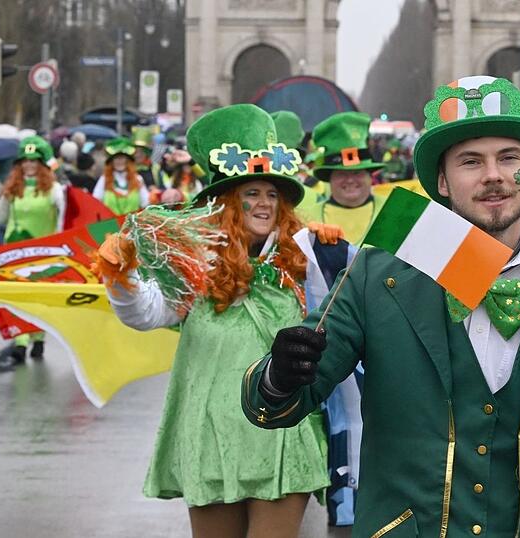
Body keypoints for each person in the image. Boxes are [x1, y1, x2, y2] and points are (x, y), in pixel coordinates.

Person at [242, 75, 520, 537]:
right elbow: (279, 405)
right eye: (471, 161)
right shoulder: (374, 278)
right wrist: (279, 376)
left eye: (509, 158)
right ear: (443, 181)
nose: (493, 175)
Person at [96, 104, 344, 538]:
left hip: (282, 431)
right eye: (251, 193)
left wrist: (335, 258)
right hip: (211, 436)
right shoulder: (195, 261)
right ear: (227, 201)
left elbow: (344, 328)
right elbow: (146, 313)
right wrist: (121, 275)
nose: (264, 203)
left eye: (272, 194)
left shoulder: (305, 260)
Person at [0, 136, 66, 368]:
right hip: (14, 253)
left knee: (39, 299)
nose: (29, 165)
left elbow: (63, 221)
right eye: (25, 161)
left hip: (43, 253)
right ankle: (20, 341)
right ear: (19, 164)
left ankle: (38, 338)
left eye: (33, 161)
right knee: (16, 297)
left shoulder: (55, 190)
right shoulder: (12, 189)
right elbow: (0, 218)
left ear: (41, 164)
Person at [307, 112, 386, 243]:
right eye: (341, 173)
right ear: (329, 178)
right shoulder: (306, 218)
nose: (350, 179)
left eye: (357, 172)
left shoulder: (393, 211)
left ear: (370, 176)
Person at [93, 137, 149, 215]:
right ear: (111, 162)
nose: (119, 161)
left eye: (122, 158)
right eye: (116, 158)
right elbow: (95, 202)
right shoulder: (104, 179)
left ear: (128, 161)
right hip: (110, 225)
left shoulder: (138, 179)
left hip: (131, 225)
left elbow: (145, 203)